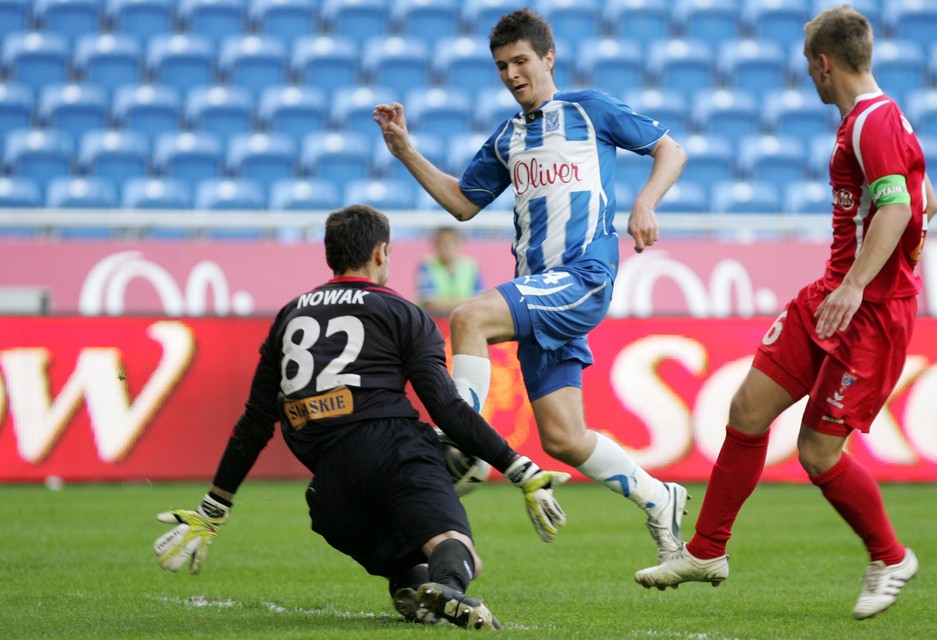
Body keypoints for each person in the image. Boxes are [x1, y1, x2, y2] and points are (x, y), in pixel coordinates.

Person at [634, 5, 937, 621]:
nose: (809, 76)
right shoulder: (877, 119)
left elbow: (900, 209)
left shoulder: (872, 124)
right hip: (829, 296)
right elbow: (922, 197)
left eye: (809, 66)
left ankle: (889, 556)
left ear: (823, 64)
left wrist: (859, 284)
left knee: (819, 453)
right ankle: (706, 551)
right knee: (746, 411)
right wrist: (863, 273)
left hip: (867, 312)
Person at [152, 205, 571, 630]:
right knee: (454, 546)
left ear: (329, 255)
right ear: (380, 253)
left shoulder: (291, 315)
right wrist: (521, 469)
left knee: (401, 554)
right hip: (395, 449)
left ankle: (412, 587)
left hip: (329, 488)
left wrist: (213, 508)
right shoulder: (403, 312)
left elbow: (256, 421)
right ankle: (449, 588)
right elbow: (446, 406)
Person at [374, 8, 690, 564]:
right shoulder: (508, 138)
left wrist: (646, 200)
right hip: (540, 291)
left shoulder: (588, 110)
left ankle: (463, 443)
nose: (512, 73)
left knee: (469, 317)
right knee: (564, 438)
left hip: (583, 278)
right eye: (501, 66)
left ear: (547, 57)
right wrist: (405, 152)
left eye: (521, 60)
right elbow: (462, 203)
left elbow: (671, 149)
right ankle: (659, 497)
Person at [417, 226, 483, 316]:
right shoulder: (427, 266)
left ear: (459, 244)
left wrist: (444, 303)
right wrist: (465, 302)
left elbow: (480, 301)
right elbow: (429, 303)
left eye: (453, 242)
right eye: (444, 243)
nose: (448, 247)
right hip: (435, 323)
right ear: (436, 245)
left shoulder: (471, 266)